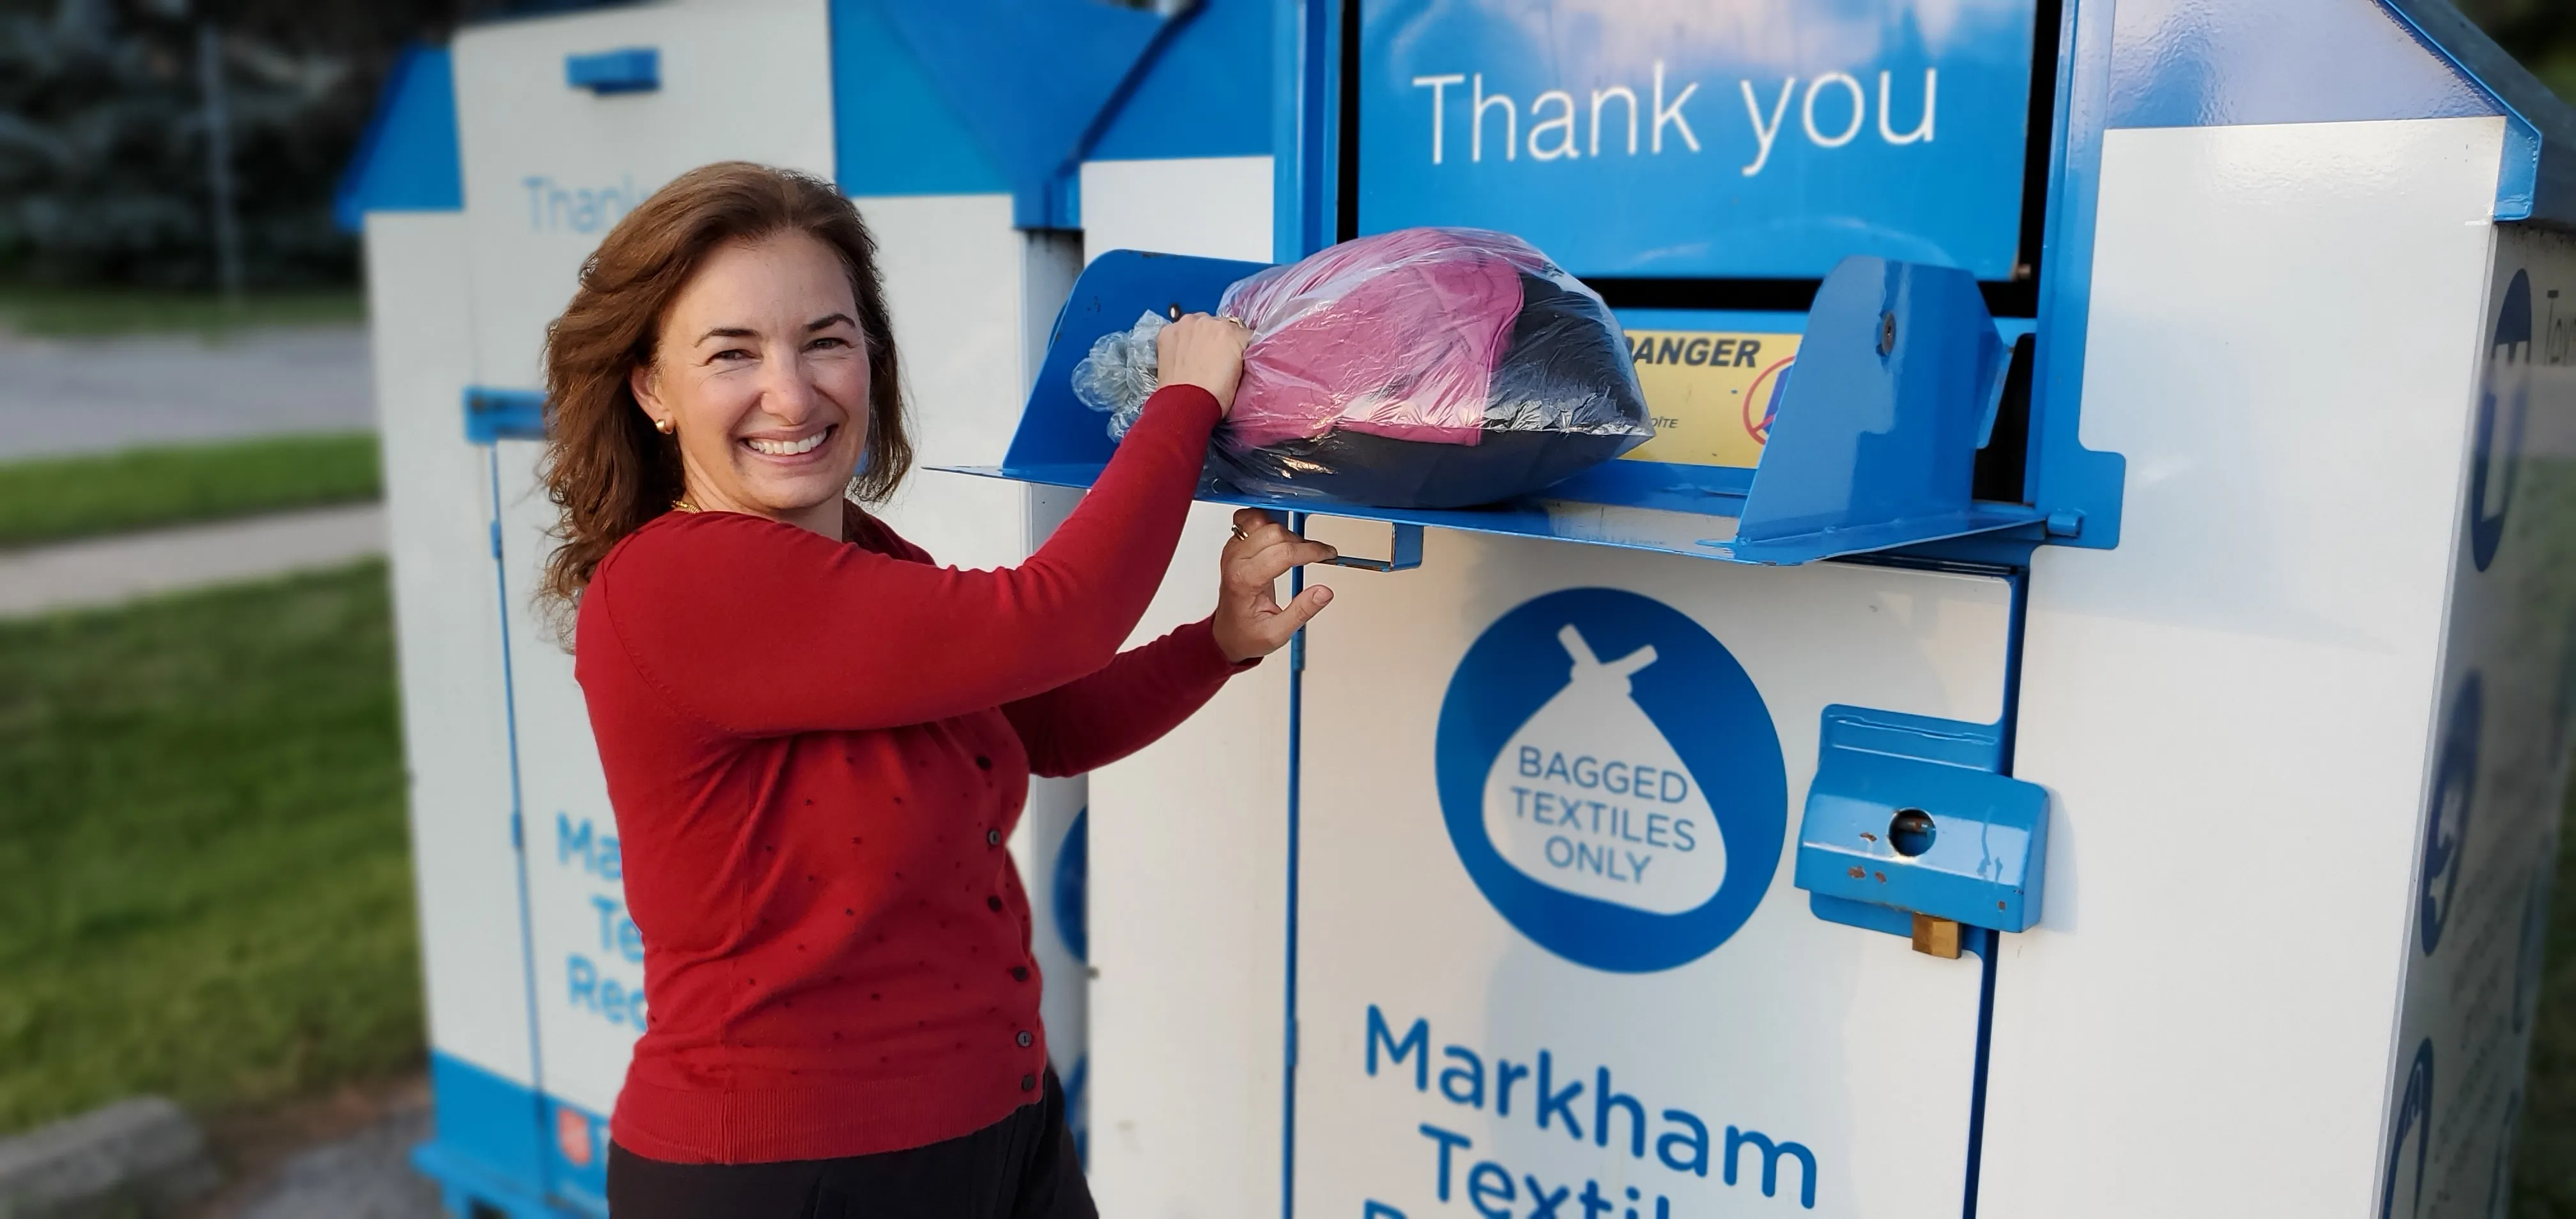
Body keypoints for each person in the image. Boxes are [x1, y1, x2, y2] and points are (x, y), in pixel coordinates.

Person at [534, 161, 1335, 1218]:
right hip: (795, 1171)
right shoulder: (677, 581)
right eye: (733, 353)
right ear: (651, 389)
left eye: (827, 339)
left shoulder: (870, 557)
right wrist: (1184, 398)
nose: (793, 391)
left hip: (996, 1128)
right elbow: (1061, 615)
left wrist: (1220, 640)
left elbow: (1044, 722)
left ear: (872, 356)